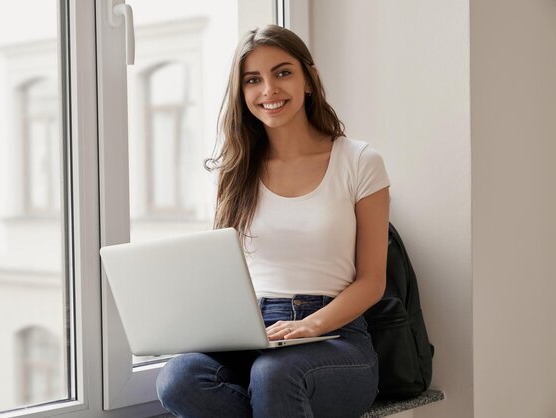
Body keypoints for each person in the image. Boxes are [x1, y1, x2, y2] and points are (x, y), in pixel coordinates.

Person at [156, 24, 390, 418]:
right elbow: (225, 272)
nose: (269, 90)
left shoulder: (359, 161)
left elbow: (372, 282)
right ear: (242, 92)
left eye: (282, 72)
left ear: (309, 80)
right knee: (179, 379)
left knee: (273, 374)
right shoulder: (234, 171)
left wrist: (311, 326)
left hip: (335, 334)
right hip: (252, 330)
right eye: (253, 80)